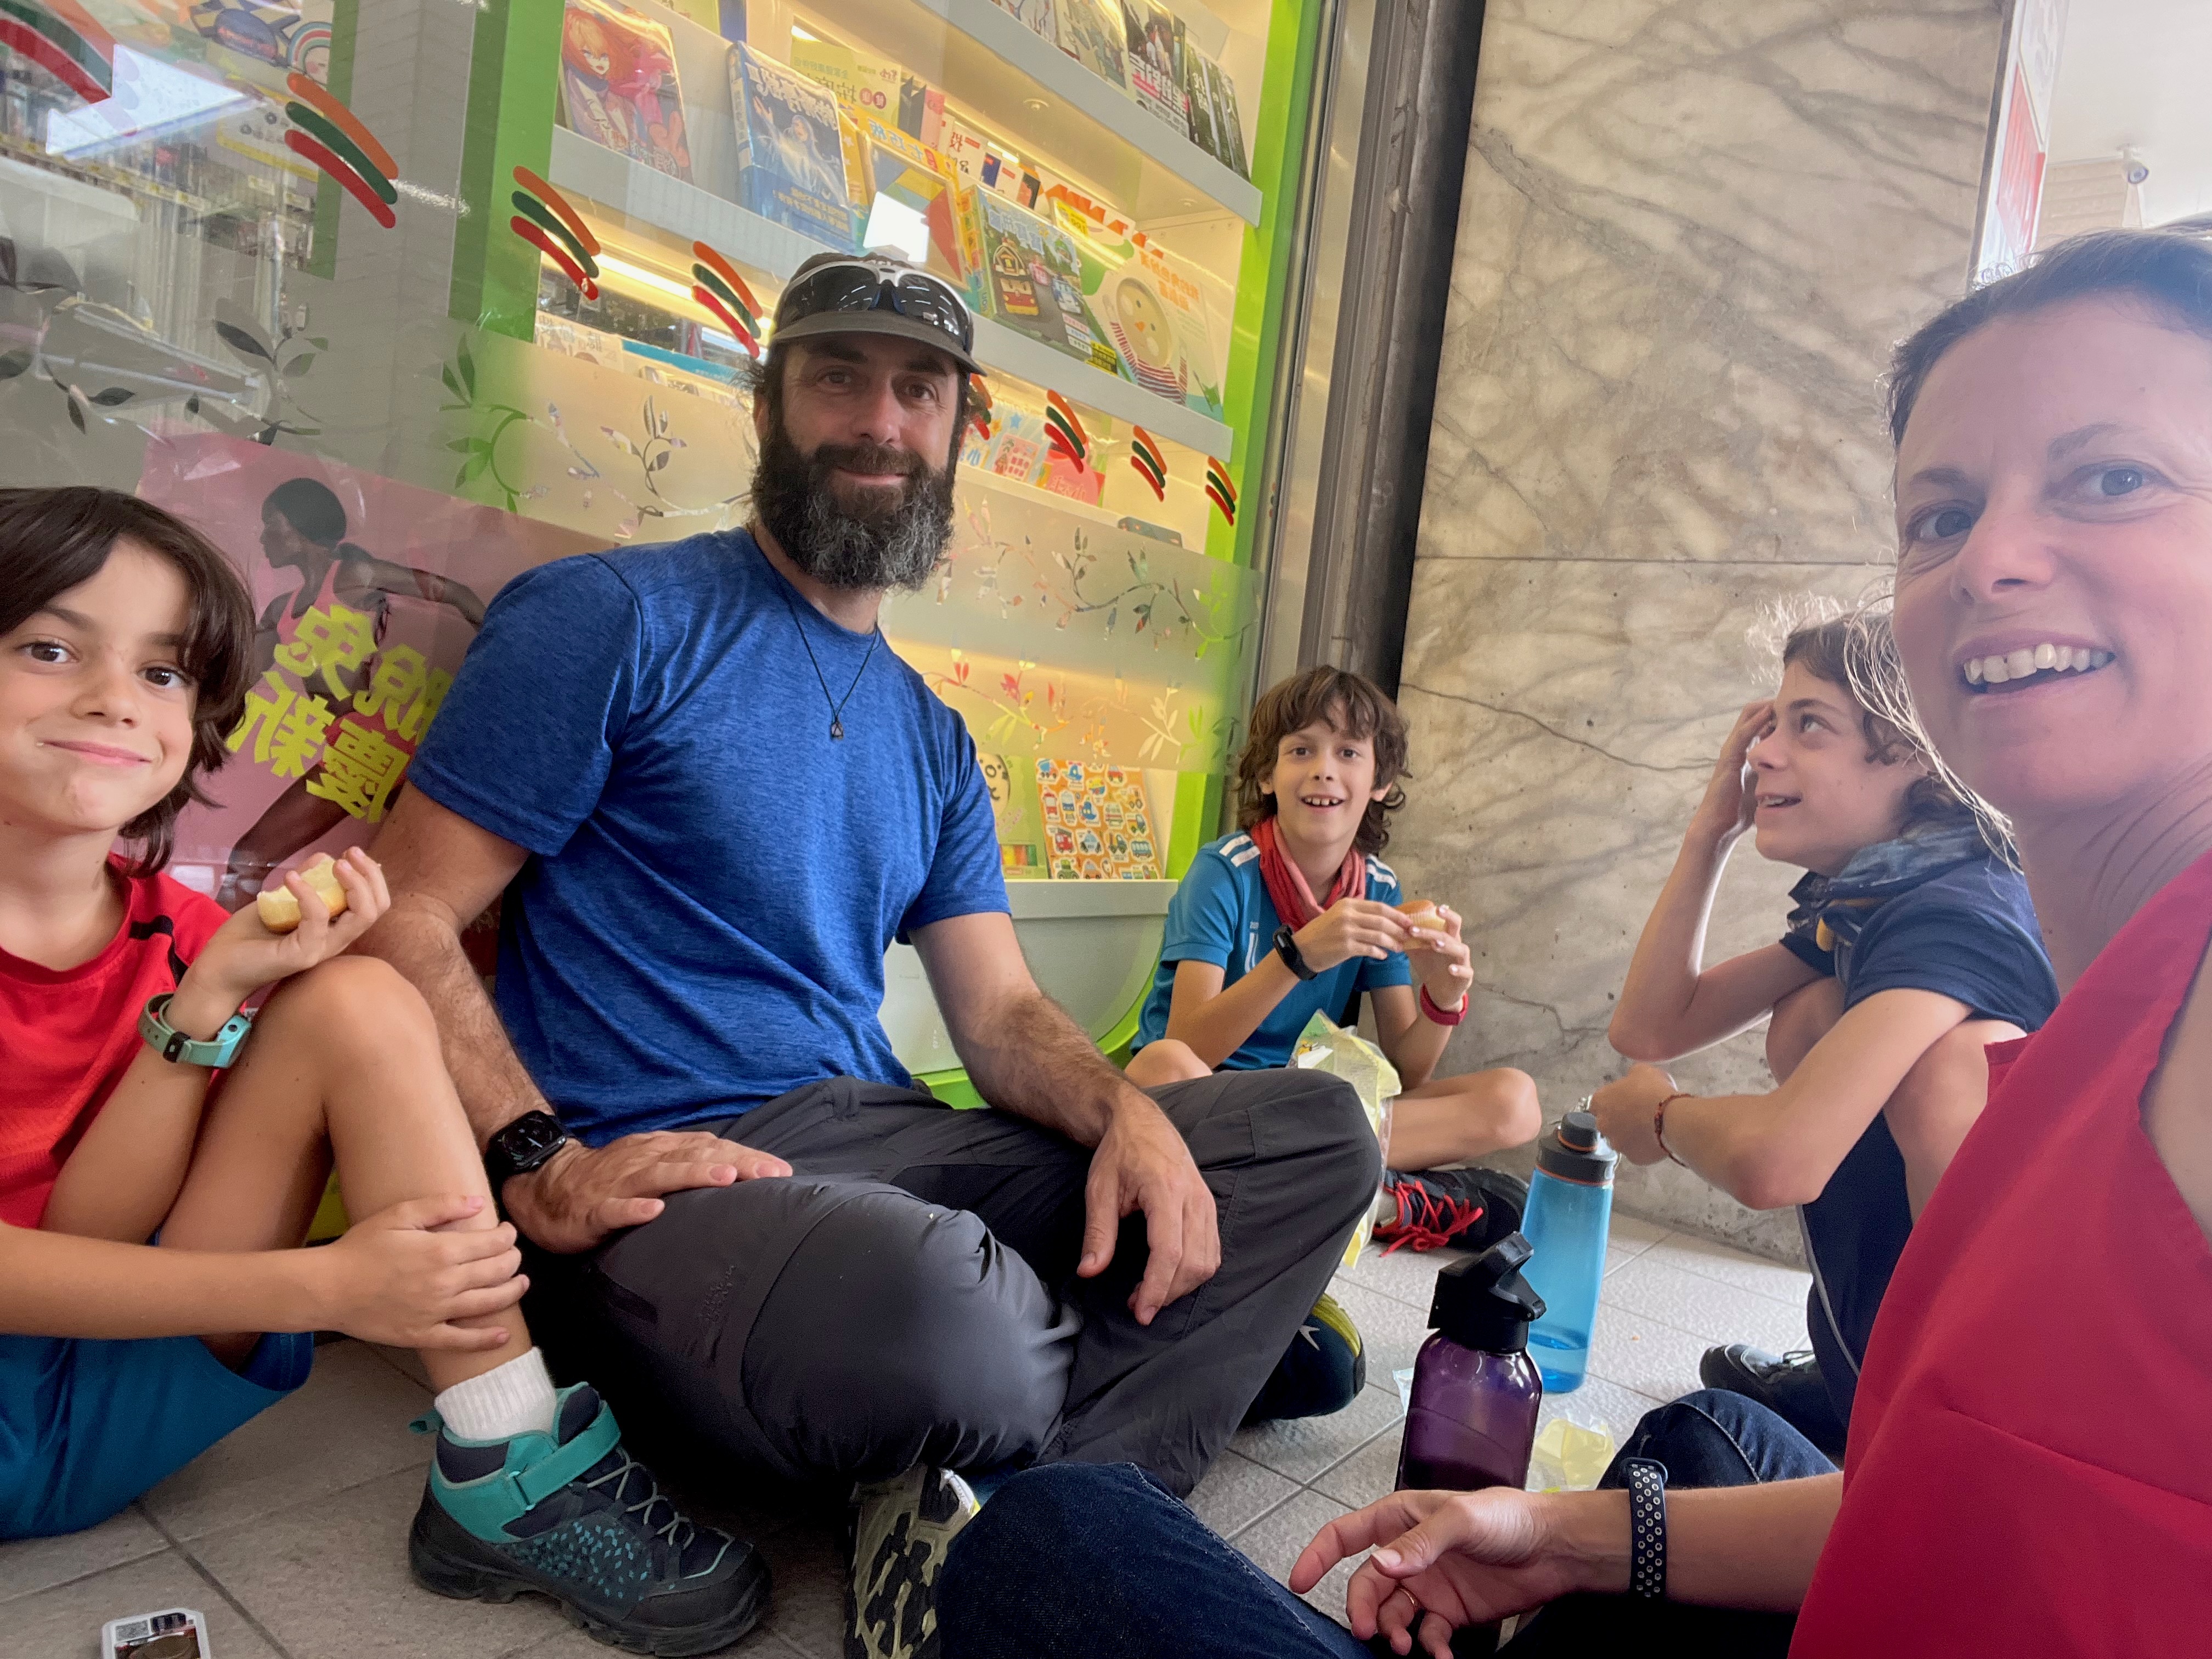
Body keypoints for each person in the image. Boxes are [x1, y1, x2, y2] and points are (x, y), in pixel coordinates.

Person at [936, 225, 2212, 1659]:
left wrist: (1439, 994)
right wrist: (1563, 1533)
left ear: (1376, 783)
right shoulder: (1237, 877)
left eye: (2115, 478)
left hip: (1342, 1126)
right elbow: (1630, 1034)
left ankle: (1359, 1209)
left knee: (1059, 1528)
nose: (1994, 561)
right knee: (1702, 1423)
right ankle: (1364, 1211)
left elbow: (1460, 1068)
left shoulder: (2008, 945)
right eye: (1942, 513)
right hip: (1238, 1102)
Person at [354, 253, 1378, 1659]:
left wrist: (1129, 1112)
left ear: (960, 433)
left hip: (875, 1139)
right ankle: (1097, 1413)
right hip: (666, 1175)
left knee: (1314, 1138)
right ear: (768, 404)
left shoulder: (932, 735)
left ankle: (1001, 1516)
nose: (880, 422)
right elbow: (403, 916)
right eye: (838, 377)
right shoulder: (613, 618)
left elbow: (1001, 1015)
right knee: (951, 1313)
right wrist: (541, 1161)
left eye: (919, 391)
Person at [0, 488, 765, 1654]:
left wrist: (203, 1001)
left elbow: (91, 1226)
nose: (114, 697)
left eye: (161, 671)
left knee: (355, 995)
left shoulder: (186, 931)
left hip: (100, 1392)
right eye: (51, 649)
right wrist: (327, 1288)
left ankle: (510, 1457)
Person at [1588, 611, 2056, 1452]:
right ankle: (1860, 1372)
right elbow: (1654, 1025)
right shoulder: (1886, 890)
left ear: (1916, 750)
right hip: (1891, 1346)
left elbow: (1779, 1159)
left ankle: (1941, 1423)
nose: (1764, 752)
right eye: (1770, 725)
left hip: (2017, 1397)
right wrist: (1709, 835)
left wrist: (1660, 1119)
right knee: (1812, 1009)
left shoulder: (1960, 908)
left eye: (1808, 725)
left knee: (1955, 1064)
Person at [1127, 664, 1540, 1256]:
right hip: (1209, 1096)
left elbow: (1407, 1072)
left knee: (1514, 1101)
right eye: (1301, 750)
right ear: (1267, 775)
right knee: (1159, 1067)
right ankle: (1377, 1199)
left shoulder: (1378, 887)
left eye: (1349, 752)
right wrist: (1298, 957)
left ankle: (1319, 1188)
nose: (1324, 768)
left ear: (1379, 780)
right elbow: (1188, 1045)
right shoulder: (1223, 872)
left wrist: (1442, 999)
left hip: (1308, 1107)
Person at [219, 476, 486, 908]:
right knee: (425, 870)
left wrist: (501, 659)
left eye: (272, 525)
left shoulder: (354, 576)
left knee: (247, 861)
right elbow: (242, 681)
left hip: (371, 742)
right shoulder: (280, 610)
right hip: (357, 743)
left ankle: (207, 952)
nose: (264, 537)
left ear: (301, 526)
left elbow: (456, 593)